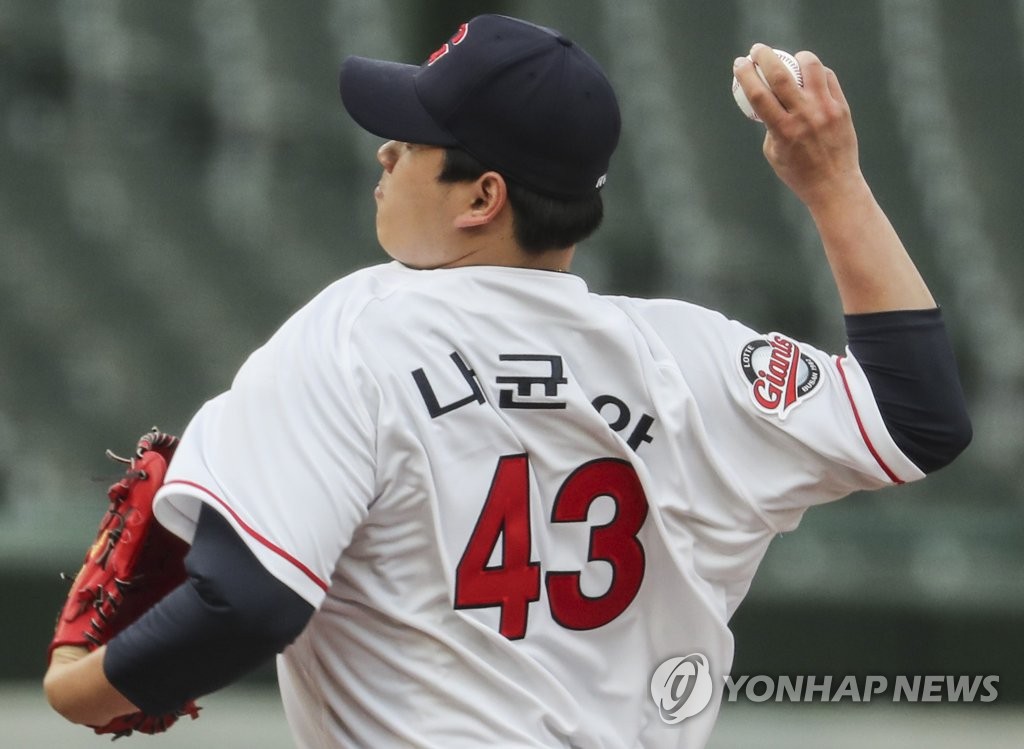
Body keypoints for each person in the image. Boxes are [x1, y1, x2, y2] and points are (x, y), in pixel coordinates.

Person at [44, 13, 971, 749]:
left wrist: (80, 689)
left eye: (410, 139)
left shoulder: (355, 332)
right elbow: (917, 413)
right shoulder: (687, 359)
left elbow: (246, 603)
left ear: (482, 198)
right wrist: (832, 179)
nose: (384, 154)